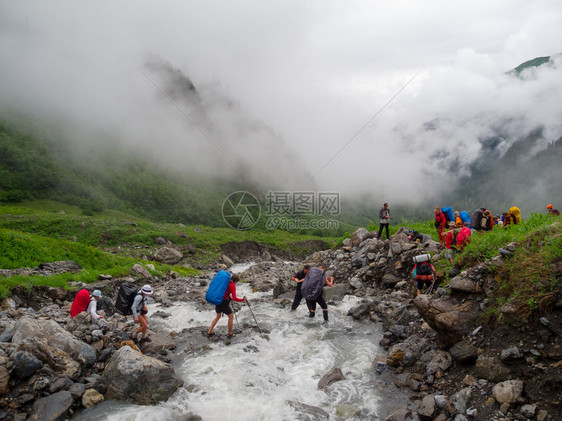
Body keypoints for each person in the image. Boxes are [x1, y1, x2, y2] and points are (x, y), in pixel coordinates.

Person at [207, 274, 247, 338]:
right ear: (235, 281)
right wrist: (242, 300)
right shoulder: (232, 285)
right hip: (223, 303)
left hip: (218, 300)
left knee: (218, 316)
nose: (236, 283)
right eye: (237, 282)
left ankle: (209, 332)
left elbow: (224, 291)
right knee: (231, 316)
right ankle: (230, 333)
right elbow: (235, 298)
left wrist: (228, 296)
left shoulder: (226, 282)